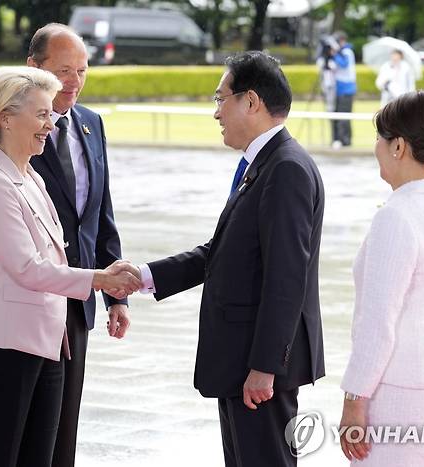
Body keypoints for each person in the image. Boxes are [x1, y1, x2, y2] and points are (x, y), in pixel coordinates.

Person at [128, 51, 326, 466]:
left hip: (258, 368)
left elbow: (286, 278)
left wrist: (265, 367)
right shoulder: (264, 165)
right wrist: (144, 276)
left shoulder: (285, 169)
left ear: (250, 101)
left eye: (221, 100)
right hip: (243, 361)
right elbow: (223, 253)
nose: (216, 113)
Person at [0, 23, 131, 467]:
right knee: (2, 450)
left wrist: (113, 292)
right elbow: (13, 262)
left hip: (58, 320)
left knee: (52, 445)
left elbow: (98, 217)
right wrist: (100, 279)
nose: (50, 124)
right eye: (64, 71)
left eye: (82, 70)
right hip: (13, 327)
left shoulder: (37, 171)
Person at [338, 90, 424, 466]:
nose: (375, 146)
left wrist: (354, 400)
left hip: (396, 385)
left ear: (399, 147)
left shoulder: (397, 215)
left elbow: (378, 322)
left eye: (380, 138)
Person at [331, 31, 357, 149]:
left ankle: (345, 140)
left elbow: (344, 64)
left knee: (344, 116)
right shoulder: (342, 52)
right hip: (340, 89)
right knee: (339, 115)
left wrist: (335, 54)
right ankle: (340, 139)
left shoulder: (347, 52)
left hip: (347, 89)